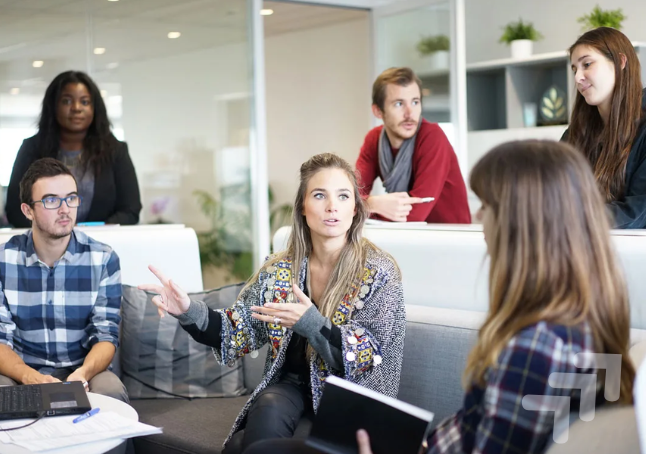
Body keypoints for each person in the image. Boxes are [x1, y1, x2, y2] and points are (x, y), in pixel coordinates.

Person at [245, 140, 636, 454]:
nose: (480, 218)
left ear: (525, 225)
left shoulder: (534, 348)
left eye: (488, 205)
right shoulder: (582, 324)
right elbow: (481, 429)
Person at [140, 153, 406, 453]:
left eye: (343, 196)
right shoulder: (280, 269)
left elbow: (369, 356)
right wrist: (188, 311)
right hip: (291, 386)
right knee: (267, 406)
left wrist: (312, 324)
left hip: (351, 396)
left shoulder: (379, 272)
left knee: (241, 445)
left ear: (355, 208)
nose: (332, 206)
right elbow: (236, 330)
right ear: (303, 208)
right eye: (320, 195)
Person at [0, 158, 128, 402]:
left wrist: (82, 374)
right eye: (51, 200)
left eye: (71, 198)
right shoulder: (3, 260)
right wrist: (30, 377)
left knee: (111, 393)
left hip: (83, 370)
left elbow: (106, 335)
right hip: (21, 370)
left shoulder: (103, 258)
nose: (64, 209)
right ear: (28, 210)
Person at [5, 70, 142, 228]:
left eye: (85, 102)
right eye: (66, 101)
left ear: (95, 108)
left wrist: (92, 233)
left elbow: (130, 210)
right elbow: (15, 211)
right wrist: (56, 232)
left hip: (102, 246)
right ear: (53, 106)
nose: (76, 108)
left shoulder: (116, 151)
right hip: (45, 247)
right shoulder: (32, 149)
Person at [355, 67, 470, 224]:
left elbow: (415, 214)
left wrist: (365, 206)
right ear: (378, 111)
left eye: (415, 102)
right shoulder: (373, 139)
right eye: (398, 104)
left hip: (450, 238)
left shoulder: (432, 137)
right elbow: (349, 197)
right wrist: (373, 203)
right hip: (407, 236)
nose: (410, 113)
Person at [563, 27, 646, 228]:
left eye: (587, 64)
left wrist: (573, 220)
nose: (577, 78)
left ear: (621, 62)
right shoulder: (575, 133)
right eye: (574, 69)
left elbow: (639, 211)